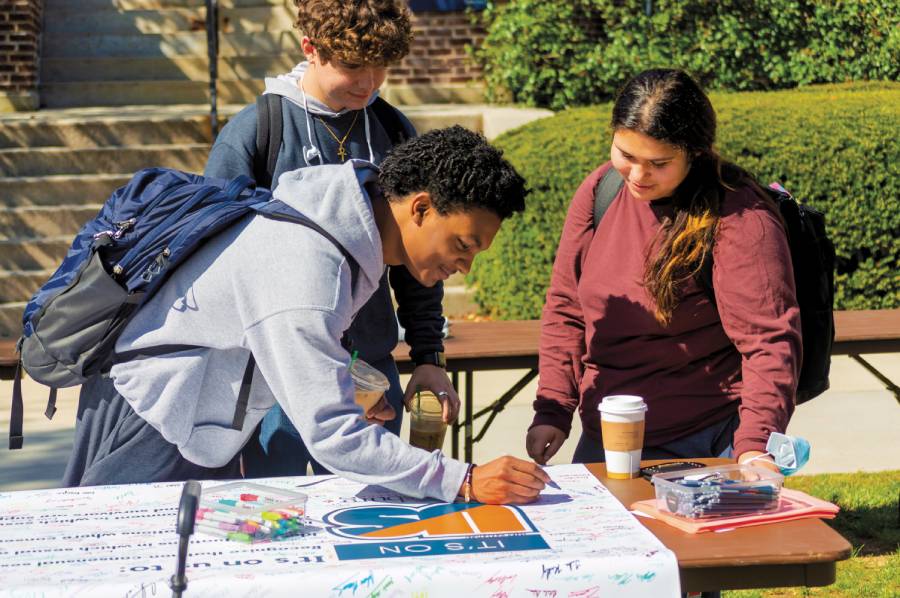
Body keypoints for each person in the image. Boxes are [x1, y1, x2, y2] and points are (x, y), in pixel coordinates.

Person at [63, 126, 549, 504]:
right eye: (464, 244)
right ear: (420, 208)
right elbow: (333, 437)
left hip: (192, 421)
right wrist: (463, 479)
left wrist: (334, 386)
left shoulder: (344, 234)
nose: (465, 264)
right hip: (151, 414)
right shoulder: (308, 265)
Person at [204, 0, 457, 477]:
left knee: (371, 514)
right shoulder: (258, 131)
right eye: (354, 65)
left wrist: (428, 356)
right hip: (278, 378)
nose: (368, 81)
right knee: (280, 520)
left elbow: (420, 256)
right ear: (311, 49)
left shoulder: (392, 128)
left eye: (381, 67)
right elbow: (217, 263)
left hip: (372, 370)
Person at [526, 69, 802, 474]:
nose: (638, 175)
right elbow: (567, 309)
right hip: (607, 432)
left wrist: (755, 444)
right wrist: (553, 407)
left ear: (695, 152)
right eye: (627, 155)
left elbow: (768, 341)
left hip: (705, 439)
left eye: (658, 163)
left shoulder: (741, 218)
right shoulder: (601, 189)